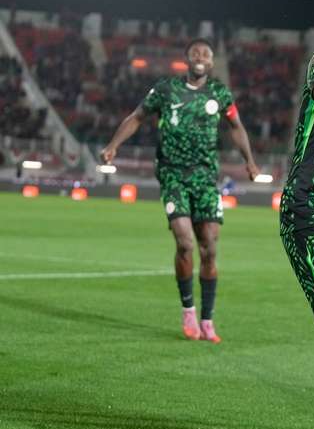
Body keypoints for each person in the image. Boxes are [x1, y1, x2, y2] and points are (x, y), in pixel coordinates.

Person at [101, 38, 260, 343]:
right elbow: (137, 117)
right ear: (186, 59)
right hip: (172, 173)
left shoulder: (219, 93)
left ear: (211, 62)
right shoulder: (166, 89)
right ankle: (189, 312)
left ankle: (207, 320)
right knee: (185, 243)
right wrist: (113, 145)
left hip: (206, 177)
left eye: (206, 53)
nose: (200, 56)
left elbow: (236, 127)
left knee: (209, 247)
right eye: (195, 52)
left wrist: (249, 161)